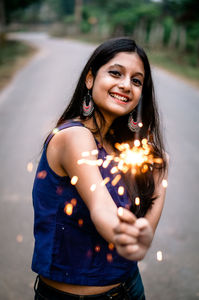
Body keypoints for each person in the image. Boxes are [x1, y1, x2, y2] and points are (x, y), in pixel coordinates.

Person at [32, 37, 168, 300]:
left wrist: (161, 177)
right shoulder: (74, 137)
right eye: (116, 73)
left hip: (130, 287)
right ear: (90, 79)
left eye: (136, 80)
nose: (126, 85)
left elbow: (138, 244)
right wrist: (122, 232)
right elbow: (102, 208)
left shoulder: (123, 150)